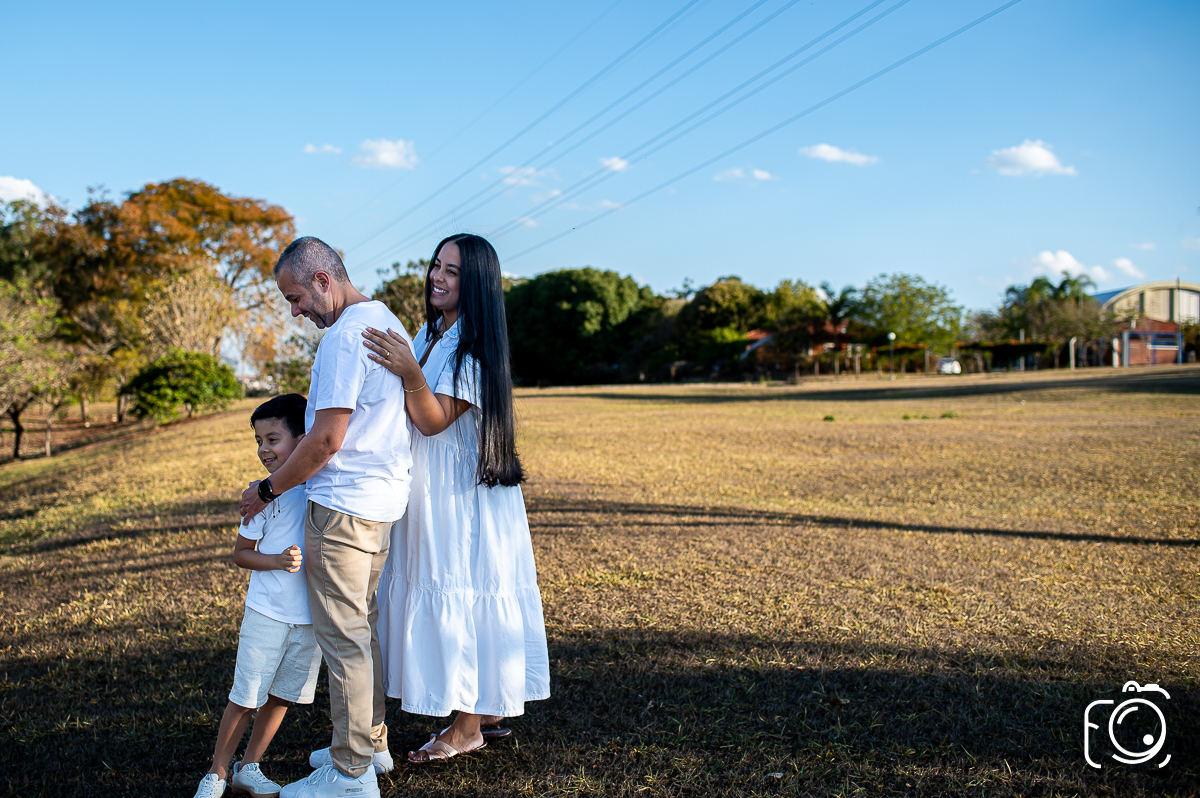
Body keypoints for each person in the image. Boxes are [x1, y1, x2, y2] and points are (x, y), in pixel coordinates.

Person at [362, 233, 550, 763]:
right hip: (433, 493)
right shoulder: (432, 331)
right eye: (435, 266)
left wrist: (406, 369)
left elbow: (433, 418)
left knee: (464, 590)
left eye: (453, 272)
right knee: (452, 586)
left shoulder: (474, 346)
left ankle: (468, 724)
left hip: (461, 498)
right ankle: (486, 707)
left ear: (478, 285)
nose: (437, 278)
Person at [239, 236, 412, 798]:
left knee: (343, 642)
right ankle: (374, 745)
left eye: (295, 297)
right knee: (362, 630)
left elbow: (327, 439)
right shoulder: (387, 319)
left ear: (322, 280)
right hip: (381, 507)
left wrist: (268, 488)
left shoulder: (342, 338)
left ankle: (351, 773)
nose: (294, 311)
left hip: (343, 511)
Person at [193, 394, 321, 798]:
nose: (264, 450)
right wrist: (278, 561)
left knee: (282, 696)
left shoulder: (322, 485)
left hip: (309, 616)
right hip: (267, 612)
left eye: (273, 439)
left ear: (303, 438)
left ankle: (250, 767)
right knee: (246, 696)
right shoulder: (261, 497)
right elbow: (240, 554)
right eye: (259, 441)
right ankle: (217, 772)